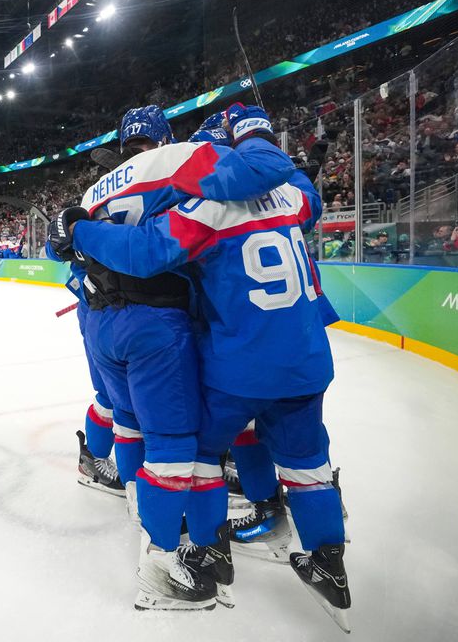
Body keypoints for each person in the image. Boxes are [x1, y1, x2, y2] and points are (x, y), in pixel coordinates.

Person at [56, 115, 352, 632]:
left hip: (236, 361)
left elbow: (146, 252)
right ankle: (328, 561)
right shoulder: (292, 198)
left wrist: (79, 229)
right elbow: (308, 190)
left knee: (196, 450)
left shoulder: (205, 208)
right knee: (307, 460)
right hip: (308, 359)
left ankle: (208, 549)